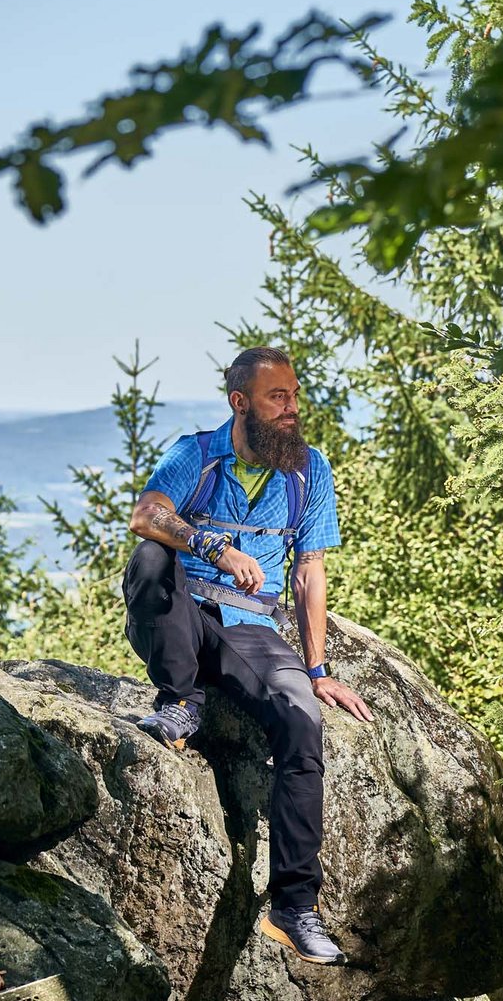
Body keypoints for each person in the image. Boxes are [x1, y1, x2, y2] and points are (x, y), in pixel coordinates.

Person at [123, 345, 373, 966]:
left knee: (301, 720)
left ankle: (293, 907)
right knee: (151, 559)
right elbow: (147, 515)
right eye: (276, 397)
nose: (291, 409)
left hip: (247, 631)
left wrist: (316, 672)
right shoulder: (195, 454)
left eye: (293, 395)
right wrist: (212, 546)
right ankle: (179, 701)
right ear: (241, 402)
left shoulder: (310, 471)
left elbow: (308, 571)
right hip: (179, 615)